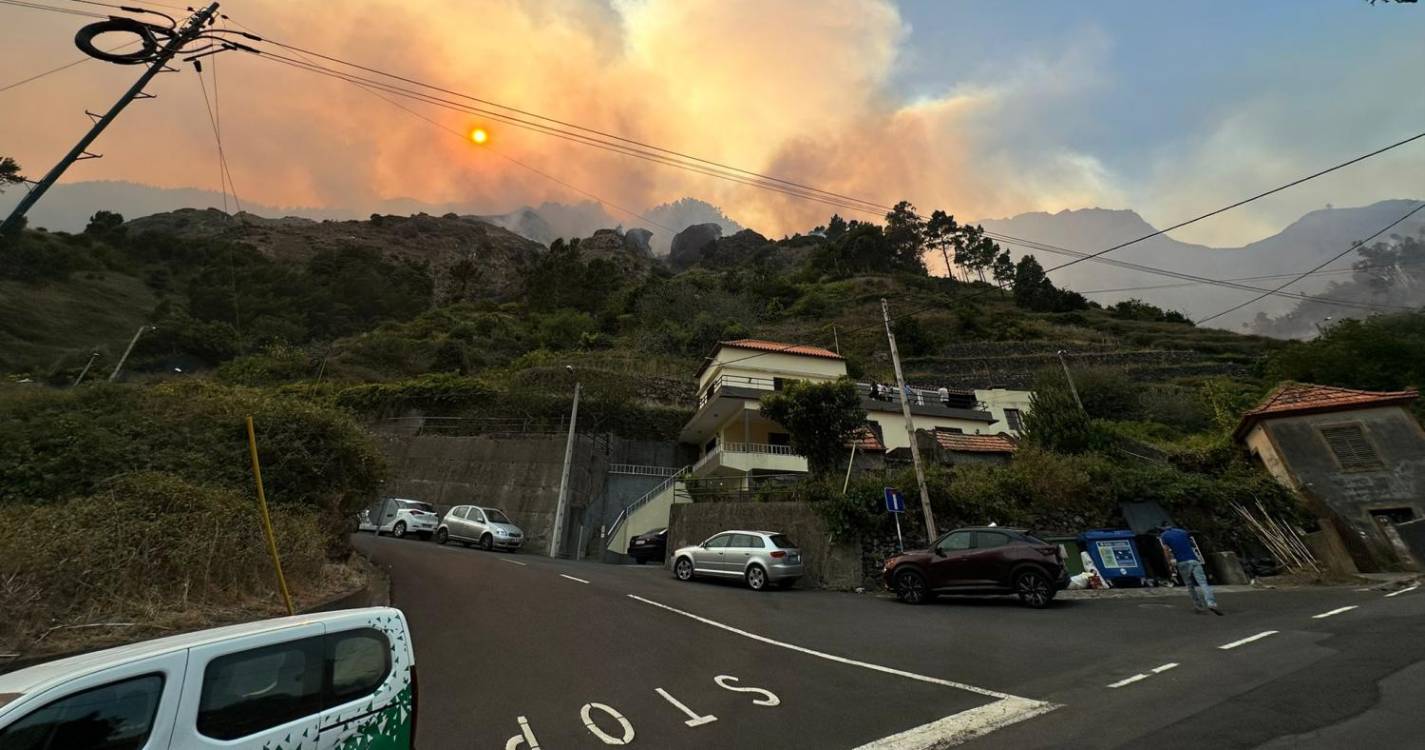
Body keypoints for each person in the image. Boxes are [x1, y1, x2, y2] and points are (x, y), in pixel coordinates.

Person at [1160, 526, 1222, 615]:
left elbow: (1166, 551)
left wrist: (1169, 563)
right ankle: (1211, 603)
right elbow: (1191, 544)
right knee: (1203, 583)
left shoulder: (1164, 535)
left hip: (1182, 562)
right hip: (1194, 560)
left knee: (1190, 585)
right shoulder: (1183, 532)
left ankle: (1198, 605)